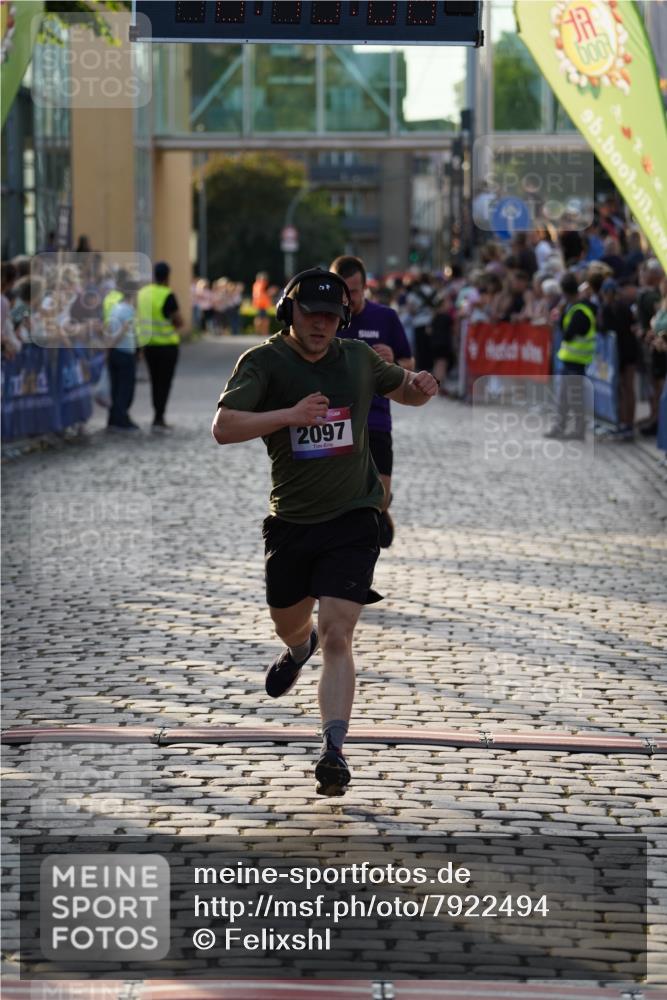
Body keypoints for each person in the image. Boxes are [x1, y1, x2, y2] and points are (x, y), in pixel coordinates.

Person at [211, 267, 438, 796]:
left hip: (353, 516)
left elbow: (404, 391)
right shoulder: (264, 362)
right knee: (292, 626)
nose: (320, 325)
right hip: (291, 522)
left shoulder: (356, 359)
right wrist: (288, 415)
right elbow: (223, 428)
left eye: (331, 316)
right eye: (311, 314)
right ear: (289, 311)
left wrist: (420, 386)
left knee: (340, 633)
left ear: (342, 319)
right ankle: (296, 649)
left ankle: (333, 748)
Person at [329, 255, 414, 548]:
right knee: (342, 502)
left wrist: (394, 360)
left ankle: (382, 508)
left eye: (353, 291)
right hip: (336, 420)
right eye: (342, 291)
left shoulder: (385, 318)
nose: (347, 298)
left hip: (377, 417)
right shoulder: (326, 318)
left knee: (378, 496)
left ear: (365, 287)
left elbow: (409, 363)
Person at [545, 272, 596, 440]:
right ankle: (560, 427)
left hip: (577, 362)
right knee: (564, 397)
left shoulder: (580, 311)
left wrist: (560, 318)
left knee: (574, 398)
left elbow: (568, 334)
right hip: (569, 361)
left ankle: (578, 431)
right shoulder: (572, 308)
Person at [137, 261, 184, 432]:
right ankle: (159, 417)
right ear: (167, 277)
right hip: (167, 346)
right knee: (164, 383)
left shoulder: (142, 293)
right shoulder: (167, 294)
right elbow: (178, 321)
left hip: (149, 346)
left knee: (154, 381)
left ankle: (156, 415)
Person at [599, 277, 640, 439]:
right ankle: (626, 422)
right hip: (626, 351)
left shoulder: (611, 308)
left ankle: (626, 422)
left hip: (623, 352)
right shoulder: (623, 306)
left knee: (625, 388)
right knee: (626, 388)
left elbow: (604, 328)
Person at [105, 276, 140, 432]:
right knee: (125, 389)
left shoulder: (115, 307)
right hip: (125, 352)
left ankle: (113, 418)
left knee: (116, 387)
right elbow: (126, 331)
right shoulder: (129, 310)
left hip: (115, 353)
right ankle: (121, 419)